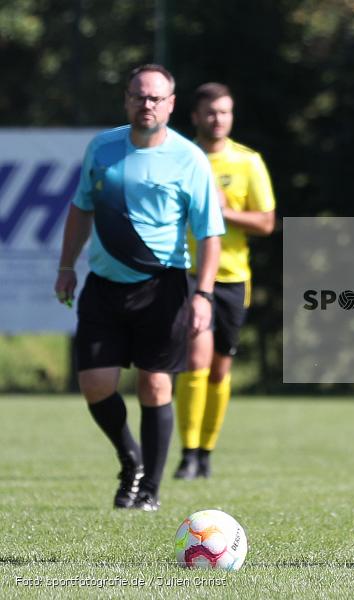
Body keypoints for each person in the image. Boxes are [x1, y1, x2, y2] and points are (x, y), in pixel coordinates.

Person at [54, 64, 224, 511]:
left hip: (163, 287)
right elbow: (80, 208)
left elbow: (209, 233)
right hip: (104, 285)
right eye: (138, 96)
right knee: (94, 384)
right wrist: (65, 265)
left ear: (169, 104)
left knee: (154, 387)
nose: (146, 104)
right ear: (126, 99)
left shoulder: (189, 159)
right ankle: (131, 460)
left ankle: (149, 490)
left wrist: (203, 294)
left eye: (155, 98)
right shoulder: (103, 147)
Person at [173, 83, 276, 480]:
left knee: (219, 369)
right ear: (195, 116)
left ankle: (206, 452)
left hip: (234, 277)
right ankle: (187, 452)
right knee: (195, 360)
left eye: (225, 112)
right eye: (211, 112)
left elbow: (266, 222)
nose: (218, 119)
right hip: (188, 273)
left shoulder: (247, 162)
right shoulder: (181, 159)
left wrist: (222, 211)